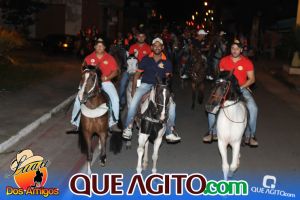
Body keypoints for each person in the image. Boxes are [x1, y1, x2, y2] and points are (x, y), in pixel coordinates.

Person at [122, 37, 181, 143]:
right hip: (146, 84)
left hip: (160, 86)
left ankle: (169, 132)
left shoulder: (167, 62)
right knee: (134, 101)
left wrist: (168, 91)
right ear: (152, 47)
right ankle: (128, 127)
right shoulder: (145, 59)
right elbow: (137, 75)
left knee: (172, 106)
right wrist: (134, 90)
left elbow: (168, 79)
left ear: (162, 47)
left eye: (159, 46)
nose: (157, 47)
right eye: (155, 45)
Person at [203, 40, 258, 147]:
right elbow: (221, 76)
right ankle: (212, 132)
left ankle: (250, 135)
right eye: (233, 48)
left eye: (237, 48)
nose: (234, 50)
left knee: (253, 108)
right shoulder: (224, 60)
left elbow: (252, 79)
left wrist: (241, 87)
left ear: (241, 50)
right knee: (212, 105)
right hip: (226, 88)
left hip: (242, 88)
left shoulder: (247, 62)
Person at [68, 38, 122, 133]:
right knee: (78, 99)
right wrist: (86, 78)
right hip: (90, 82)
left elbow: (116, 71)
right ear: (95, 47)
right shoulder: (88, 58)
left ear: (105, 47)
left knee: (115, 99)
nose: (100, 47)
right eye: (98, 45)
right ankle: (75, 123)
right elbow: (83, 69)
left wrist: (107, 77)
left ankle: (113, 123)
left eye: (102, 45)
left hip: (105, 81)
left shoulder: (110, 58)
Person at [119, 31, 151, 108]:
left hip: (142, 71)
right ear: (137, 37)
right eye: (139, 36)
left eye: (142, 36)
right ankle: (122, 101)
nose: (141, 38)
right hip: (131, 69)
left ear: (145, 37)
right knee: (123, 82)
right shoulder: (132, 47)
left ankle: (139, 101)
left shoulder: (148, 48)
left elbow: (150, 61)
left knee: (138, 85)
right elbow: (128, 59)